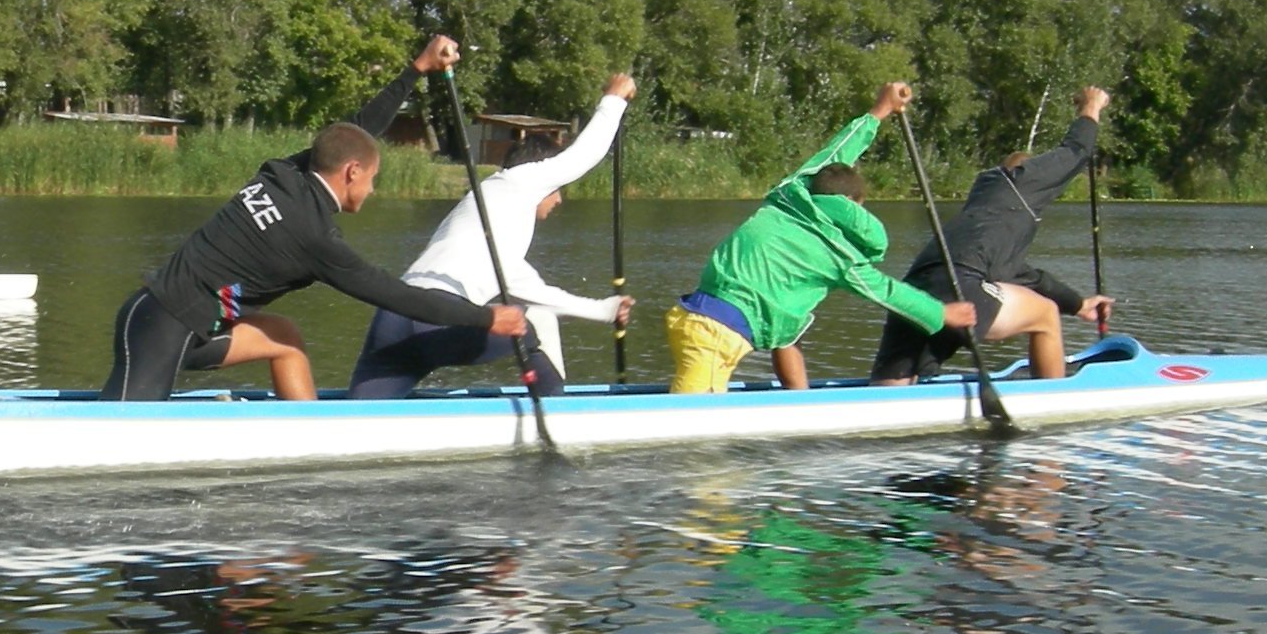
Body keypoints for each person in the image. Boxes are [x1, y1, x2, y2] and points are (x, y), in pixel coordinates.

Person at [101, 35, 527, 402]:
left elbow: (355, 131)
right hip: (160, 325)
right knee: (114, 442)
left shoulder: (287, 172)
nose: (373, 190)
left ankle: (307, 435)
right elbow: (400, 297)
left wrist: (418, 69)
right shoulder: (314, 240)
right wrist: (486, 317)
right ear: (352, 173)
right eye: (372, 179)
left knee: (285, 338)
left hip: (193, 329)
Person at [665, 82, 976, 393]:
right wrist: (942, 312)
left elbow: (837, 152)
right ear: (856, 205)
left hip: (694, 319)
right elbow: (888, 292)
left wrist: (880, 109)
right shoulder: (840, 256)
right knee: (684, 431)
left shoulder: (788, 194)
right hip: (716, 334)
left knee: (788, 329)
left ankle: (798, 399)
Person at [349, 72, 637, 398]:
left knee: (352, 422)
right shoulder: (522, 182)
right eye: (558, 190)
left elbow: (535, 290)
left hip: (392, 321)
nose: (559, 199)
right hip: (439, 322)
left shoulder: (482, 210)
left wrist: (604, 309)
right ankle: (556, 409)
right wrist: (613, 100)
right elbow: (584, 155)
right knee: (536, 322)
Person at [869, 85, 1116, 384]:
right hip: (962, 285)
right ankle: (1053, 399)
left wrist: (1079, 305)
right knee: (1046, 315)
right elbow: (1077, 152)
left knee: (892, 392)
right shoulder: (1021, 181)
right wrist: (1091, 107)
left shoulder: (984, 211)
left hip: (914, 291)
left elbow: (1029, 278)